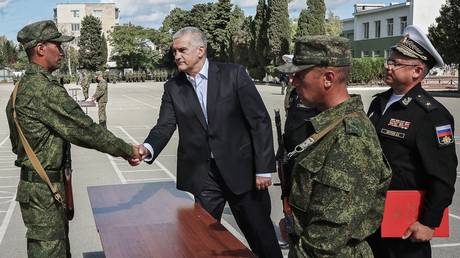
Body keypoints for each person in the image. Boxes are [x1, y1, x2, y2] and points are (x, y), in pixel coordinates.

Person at [132, 26, 283, 258]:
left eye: (182, 50)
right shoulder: (173, 87)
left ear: (200, 50)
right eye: (175, 52)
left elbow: (259, 121)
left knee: (261, 237)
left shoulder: (234, 74)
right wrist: (148, 148)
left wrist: (263, 168)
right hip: (204, 176)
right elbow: (164, 126)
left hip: (243, 172)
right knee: (199, 239)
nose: (177, 56)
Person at [5, 20, 140, 258]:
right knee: (51, 252)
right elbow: (86, 129)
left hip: (36, 188)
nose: (62, 51)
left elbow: (18, 143)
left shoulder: (20, 88)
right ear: (40, 49)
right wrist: (128, 150)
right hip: (44, 191)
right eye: (57, 45)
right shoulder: (44, 90)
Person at [276, 35, 391, 257]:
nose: (293, 81)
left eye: (299, 75)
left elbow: (325, 240)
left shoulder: (350, 138)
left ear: (328, 78)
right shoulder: (326, 125)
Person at [366, 25, 457, 258]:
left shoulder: (431, 115)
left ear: (417, 71)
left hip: (404, 223)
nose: (388, 65)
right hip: (371, 216)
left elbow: (443, 176)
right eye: (390, 60)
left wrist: (429, 222)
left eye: (396, 63)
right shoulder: (379, 103)